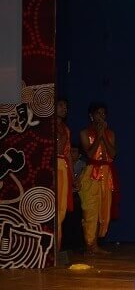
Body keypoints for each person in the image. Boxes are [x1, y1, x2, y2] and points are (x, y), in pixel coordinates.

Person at [78, 102, 117, 254]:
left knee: (104, 209)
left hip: (106, 174)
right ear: (91, 116)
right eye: (98, 113)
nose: (101, 116)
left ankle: (95, 243)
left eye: (103, 114)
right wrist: (98, 136)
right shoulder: (84, 133)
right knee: (90, 209)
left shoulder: (110, 133)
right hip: (91, 173)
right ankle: (90, 244)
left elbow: (112, 154)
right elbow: (89, 154)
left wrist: (103, 136)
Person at [55, 98, 73, 251]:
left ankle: (57, 246)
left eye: (66, 106)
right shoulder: (46, 126)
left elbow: (68, 155)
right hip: (51, 165)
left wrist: (73, 177)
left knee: (61, 208)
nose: (64, 108)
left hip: (63, 165)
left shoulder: (66, 129)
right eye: (60, 105)